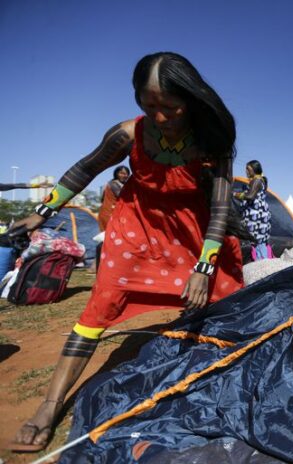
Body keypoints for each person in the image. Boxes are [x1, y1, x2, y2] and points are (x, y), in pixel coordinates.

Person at [9, 52, 245, 451]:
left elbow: (220, 208)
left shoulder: (212, 141)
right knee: (102, 302)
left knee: (222, 299)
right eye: (148, 105)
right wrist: (42, 210)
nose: (159, 117)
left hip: (192, 228)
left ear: (190, 99)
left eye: (169, 107)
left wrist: (204, 266)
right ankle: (49, 407)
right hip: (135, 223)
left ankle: (222, 376)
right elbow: (84, 169)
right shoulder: (127, 134)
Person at [233, 160, 273, 260]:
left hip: (256, 215)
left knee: (256, 240)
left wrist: (235, 194)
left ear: (254, 169)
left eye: (248, 169)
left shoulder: (256, 181)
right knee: (258, 241)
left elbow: (250, 196)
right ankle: (261, 262)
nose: (246, 171)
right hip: (258, 213)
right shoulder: (258, 180)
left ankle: (262, 264)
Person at [97, 165, 130, 231]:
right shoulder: (114, 184)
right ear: (116, 174)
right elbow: (124, 197)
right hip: (109, 213)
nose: (124, 175)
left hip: (110, 212)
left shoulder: (116, 184)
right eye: (121, 173)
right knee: (111, 234)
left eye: (126, 174)